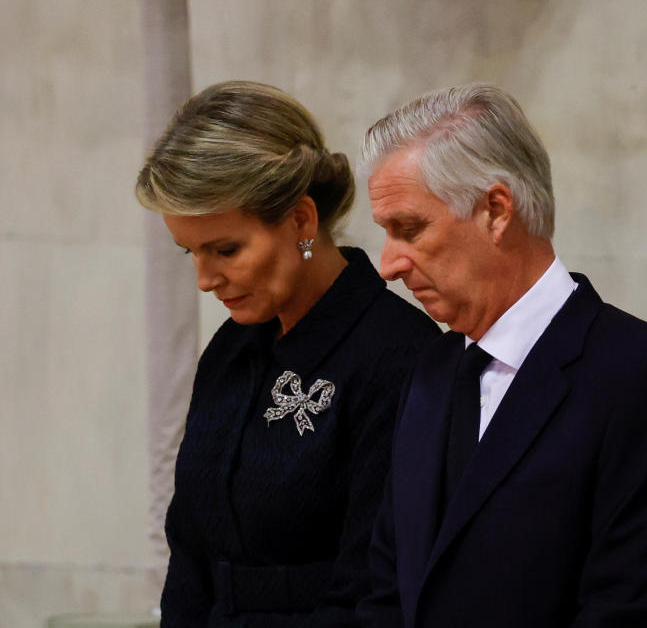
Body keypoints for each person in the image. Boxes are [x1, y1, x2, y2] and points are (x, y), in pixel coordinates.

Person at [356, 84, 647, 627]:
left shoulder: (644, 377)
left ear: (496, 212)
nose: (388, 264)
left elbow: (634, 611)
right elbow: (387, 588)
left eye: (409, 229)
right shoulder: (429, 371)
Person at [135, 81, 440, 627]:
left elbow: (377, 592)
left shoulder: (401, 359)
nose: (205, 280)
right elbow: (189, 556)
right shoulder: (231, 348)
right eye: (191, 252)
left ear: (301, 221)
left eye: (225, 250)